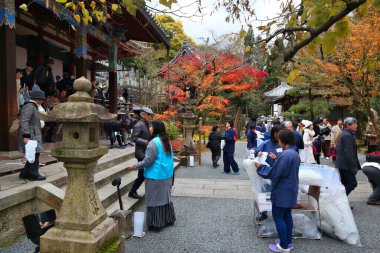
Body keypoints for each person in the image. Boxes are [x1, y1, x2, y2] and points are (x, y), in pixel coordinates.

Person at [255, 129, 300, 253]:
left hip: (282, 190)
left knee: (278, 216)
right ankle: (288, 241)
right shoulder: (293, 152)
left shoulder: (285, 155)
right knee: (287, 216)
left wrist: (260, 168)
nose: (278, 142)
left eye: (279, 140)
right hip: (290, 189)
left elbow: (274, 173)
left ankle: (284, 246)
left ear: (283, 141)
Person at [127, 120, 176, 230]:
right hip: (167, 174)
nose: (149, 128)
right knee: (165, 198)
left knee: (154, 200)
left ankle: (156, 224)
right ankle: (167, 219)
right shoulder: (166, 140)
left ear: (155, 128)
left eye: (151, 126)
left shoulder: (153, 143)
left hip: (155, 175)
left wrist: (134, 167)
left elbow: (148, 161)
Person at [18, 90, 47, 181]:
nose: (42, 101)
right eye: (41, 99)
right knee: (34, 153)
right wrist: (26, 134)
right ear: (37, 99)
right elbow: (24, 120)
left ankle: (25, 173)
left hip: (32, 134)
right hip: (30, 134)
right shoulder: (30, 107)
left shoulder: (31, 106)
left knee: (33, 153)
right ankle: (34, 174)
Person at [128, 107, 154, 199]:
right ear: (143, 115)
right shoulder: (139, 125)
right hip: (141, 152)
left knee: (144, 174)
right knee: (141, 175)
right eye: (148, 115)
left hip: (147, 151)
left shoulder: (147, 123)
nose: (150, 116)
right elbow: (134, 138)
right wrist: (146, 142)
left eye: (150, 115)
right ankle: (132, 191)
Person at [335, 117, 360, 196]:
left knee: (345, 184)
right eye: (354, 124)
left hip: (342, 164)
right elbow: (349, 153)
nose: (356, 126)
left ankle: (341, 203)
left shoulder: (345, 133)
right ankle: (339, 200)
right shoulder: (347, 135)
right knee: (352, 183)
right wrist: (353, 167)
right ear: (348, 125)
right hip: (346, 165)